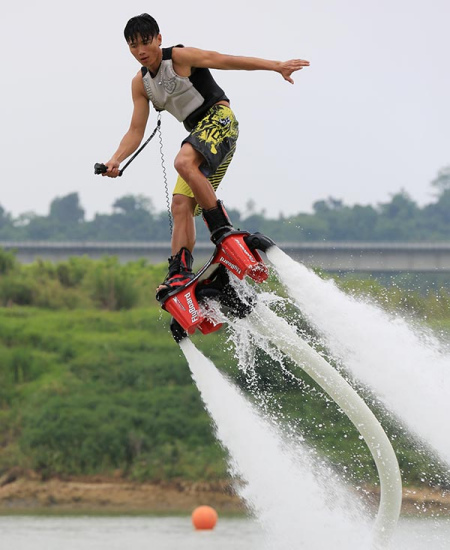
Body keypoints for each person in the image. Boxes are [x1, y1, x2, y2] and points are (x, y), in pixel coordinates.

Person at [102, 13, 309, 297]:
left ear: (158, 39)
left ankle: (222, 230)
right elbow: (136, 130)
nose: (140, 51)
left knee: (183, 162)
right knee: (180, 204)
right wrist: (116, 159)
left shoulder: (178, 57)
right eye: (133, 45)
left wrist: (275, 66)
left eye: (145, 42)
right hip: (200, 135)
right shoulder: (141, 84)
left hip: (220, 120)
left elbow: (223, 59)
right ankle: (180, 273)